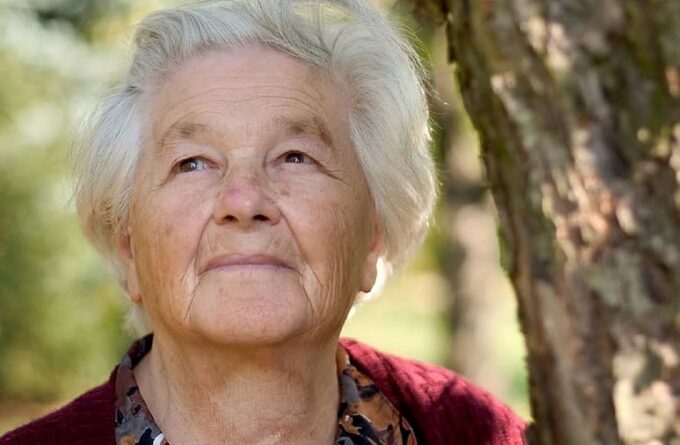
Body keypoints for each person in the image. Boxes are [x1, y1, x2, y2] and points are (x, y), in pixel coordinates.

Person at [0, 0, 526, 444]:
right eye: (193, 163)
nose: (244, 200)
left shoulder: (476, 432)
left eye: (296, 157)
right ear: (129, 248)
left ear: (372, 236)